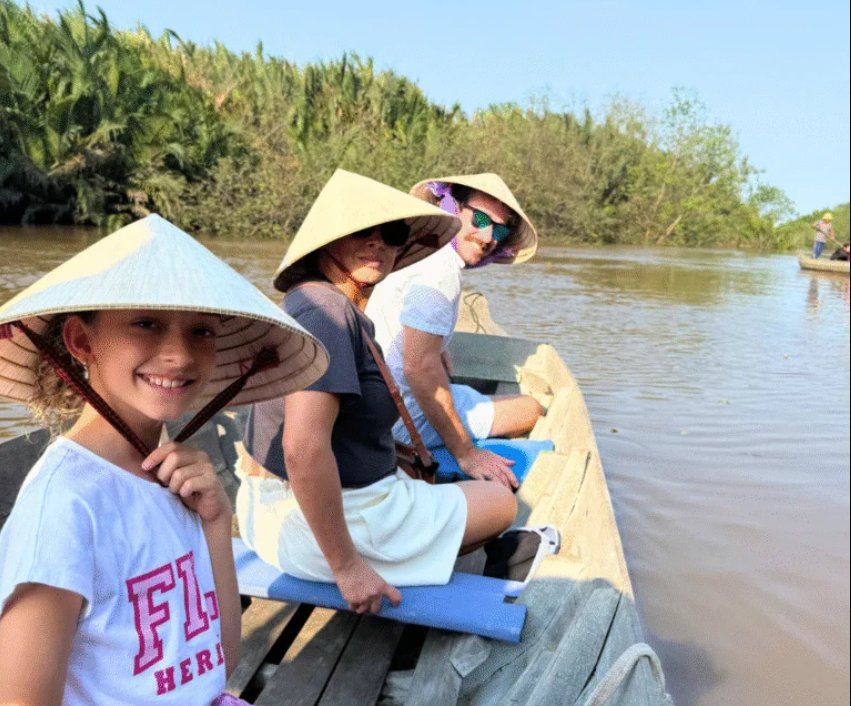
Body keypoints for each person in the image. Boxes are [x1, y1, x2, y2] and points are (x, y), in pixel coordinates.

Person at [0, 215, 327, 706]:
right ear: (81, 341)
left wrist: (216, 522)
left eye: (201, 331)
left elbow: (219, 659)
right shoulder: (66, 505)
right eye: (146, 324)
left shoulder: (172, 476)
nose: (178, 354)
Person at [236, 170, 518, 616]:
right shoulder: (326, 312)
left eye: (390, 235)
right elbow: (303, 450)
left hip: (272, 514)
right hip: (311, 528)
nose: (377, 244)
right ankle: (390, 563)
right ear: (330, 240)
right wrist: (347, 567)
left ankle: (406, 551)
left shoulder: (321, 303)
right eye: (360, 232)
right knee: (502, 503)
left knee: (437, 483)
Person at [366, 174, 543, 489]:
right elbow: (418, 367)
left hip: (375, 401)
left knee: (462, 387)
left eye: (499, 229)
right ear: (450, 207)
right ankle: (459, 451)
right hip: (400, 419)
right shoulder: (441, 272)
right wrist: (467, 454)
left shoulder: (413, 251)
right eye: (479, 218)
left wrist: (438, 350)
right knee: (529, 409)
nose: (488, 236)